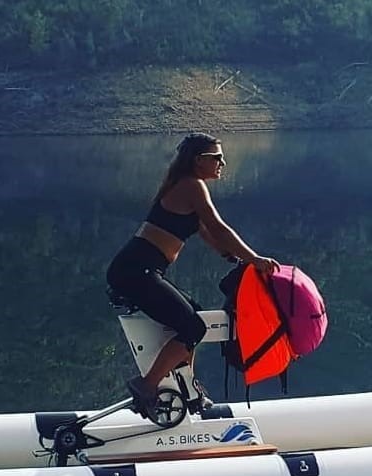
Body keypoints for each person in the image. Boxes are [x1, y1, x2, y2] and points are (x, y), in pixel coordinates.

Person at [106, 133, 280, 418]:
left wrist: (230, 256)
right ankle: (147, 386)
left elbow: (206, 232)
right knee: (193, 328)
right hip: (135, 271)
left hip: (140, 269)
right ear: (198, 161)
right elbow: (219, 227)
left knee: (195, 316)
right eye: (217, 158)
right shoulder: (192, 185)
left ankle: (187, 389)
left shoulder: (185, 185)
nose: (222, 162)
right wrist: (255, 259)